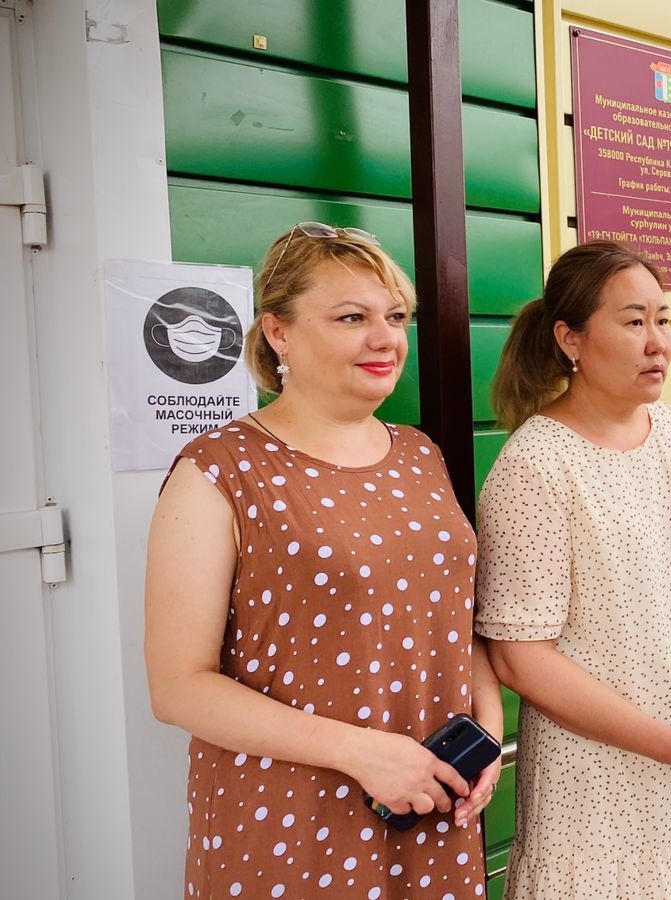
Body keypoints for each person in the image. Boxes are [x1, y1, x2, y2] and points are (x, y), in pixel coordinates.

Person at [145, 222, 502, 899]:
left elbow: (456, 615)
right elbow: (178, 686)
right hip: (292, 822)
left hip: (431, 807)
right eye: (351, 318)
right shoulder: (220, 470)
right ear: (278, 332)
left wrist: (485, 723)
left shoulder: (420, 455)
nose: (385, 338)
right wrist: (361, 754)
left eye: (395, 317)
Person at [475, 241, 671, 899]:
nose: (657, 342)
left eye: (664, 319)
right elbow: (521, 657)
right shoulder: (535, 469)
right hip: (601, 800)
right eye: (634, 322)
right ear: (569, 338)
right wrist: (668, 742)